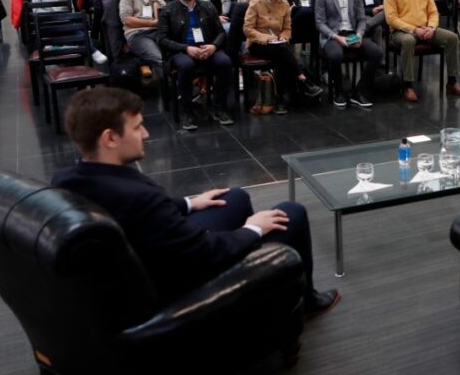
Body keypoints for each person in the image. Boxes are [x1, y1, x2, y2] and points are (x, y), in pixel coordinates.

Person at [53, 87, 339, 313]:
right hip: (179, 282)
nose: (146, 133)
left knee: (233, 198)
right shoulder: (141, 198)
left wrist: (190, 203)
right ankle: (305, 303)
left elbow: (143, 215)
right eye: (138, 127)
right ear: (110, 139)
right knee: (292, 212)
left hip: (151, 257)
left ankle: (259, 293)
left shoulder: (67, 179)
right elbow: (204, 252)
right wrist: (252, 229)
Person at [384, 0, 460, 102]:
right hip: (400, 32)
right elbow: (391, 19)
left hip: (425, 28)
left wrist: (431, 28)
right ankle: (407, 85)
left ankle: (452, 81)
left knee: (453, 38)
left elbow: (433, 12)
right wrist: (414, 30)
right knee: (409, 41)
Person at [158, 0, 233, 130]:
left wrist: (213, 46)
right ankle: (187, 112)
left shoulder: (207, 6)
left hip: (207, 47)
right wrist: (186, 48)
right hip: (182, 51)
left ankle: (220, 107)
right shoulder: (168, 10)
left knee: (225, 62)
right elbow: (162, 39)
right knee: (186, 66)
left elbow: (220, 32)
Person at [243, 0, 323, 115]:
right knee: (282, 51)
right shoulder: (255, 4)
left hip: (279, 44)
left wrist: (283, 37)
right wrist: (268, 38)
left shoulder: (285, 4)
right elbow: (248, 30)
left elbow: (287, 28)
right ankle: (302, 79)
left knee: (281, 56)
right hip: (258, 43)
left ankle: (280, 99)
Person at [316, 0, 383, 109]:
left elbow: (361, 18)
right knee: (335, 55)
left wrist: (359, 34)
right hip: (332, 34)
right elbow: (319, 23)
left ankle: (359, 91)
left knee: (377, 53)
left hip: (352, 33)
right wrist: (337, 37)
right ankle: (339, 91)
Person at [119, 0, 167, 81]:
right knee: (158, 58)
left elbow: (161, 19)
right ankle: (169, 91)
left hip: (157, 32)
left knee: (175, 54)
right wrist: (152, 23)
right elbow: (127, 20)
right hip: (138, 35)